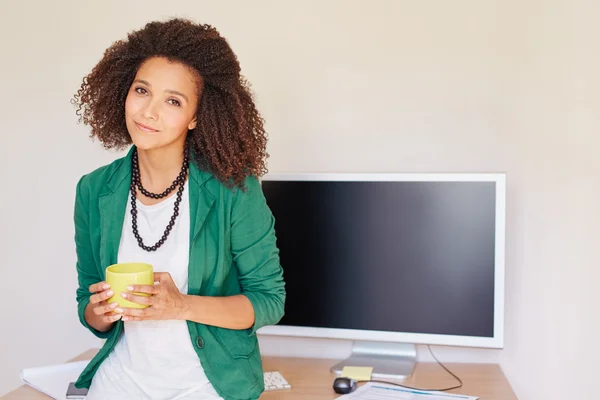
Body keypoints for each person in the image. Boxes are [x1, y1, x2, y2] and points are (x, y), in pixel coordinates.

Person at [71, 18, 286, 400]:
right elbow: (86, 305)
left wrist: (180, 305)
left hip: (207, 386)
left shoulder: (233, 190)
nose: (148, 111)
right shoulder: (94, 190)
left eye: (173, 100)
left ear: (197, 116)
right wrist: (98, 313)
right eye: (142, 90)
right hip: (119, 384)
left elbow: (268, 301)